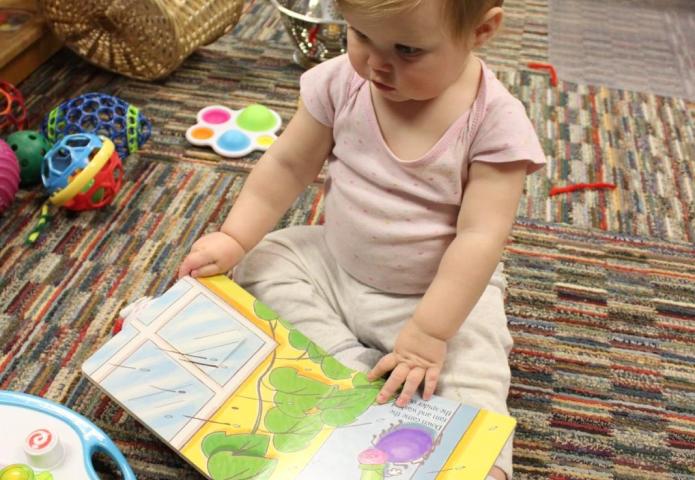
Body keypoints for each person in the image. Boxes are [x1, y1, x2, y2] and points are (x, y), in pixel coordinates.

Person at [179, 0, 545, 477]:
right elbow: (288, 165)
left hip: (436, 294)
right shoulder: (340, 81)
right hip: (335, 262)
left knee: (476, 364)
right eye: (360, 34)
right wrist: (234, 237)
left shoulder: (494, 122)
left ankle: (473, 459)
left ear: (481, 32)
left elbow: (480, 238)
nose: (376, 62)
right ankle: (353, 368)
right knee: (262, 260)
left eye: (407, 49)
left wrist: (429, 333)